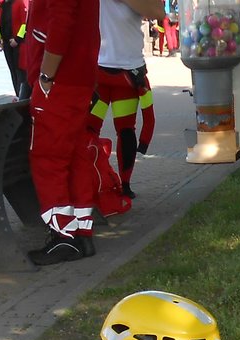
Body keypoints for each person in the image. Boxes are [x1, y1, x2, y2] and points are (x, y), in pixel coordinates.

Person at [21, 0, 99, 265]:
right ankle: (81, 232)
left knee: (48, 158)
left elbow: (61, 22)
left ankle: (64, 236)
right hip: (79, 76)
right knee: (76, 156)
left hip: (60, 80)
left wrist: (45, 75)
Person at [93, 0, 162, 201]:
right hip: (98, 73)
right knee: (88, 131)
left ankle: (125, 184)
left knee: (125, 131)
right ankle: (93, 179)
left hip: (128, 74)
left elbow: (159, 12)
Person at [0, 0, 29, 95]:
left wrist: (18, 39)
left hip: (18, 43)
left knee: (20, 70)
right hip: (6, 43)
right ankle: (17, 93)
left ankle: (23, 95)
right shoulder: (1, 5)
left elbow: (25, 23)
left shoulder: (20, 3)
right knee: (12, 70)